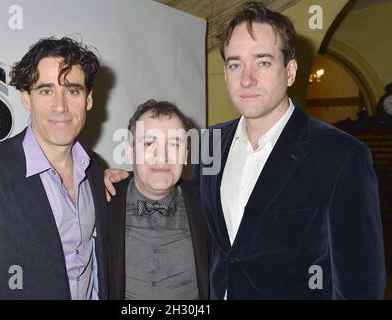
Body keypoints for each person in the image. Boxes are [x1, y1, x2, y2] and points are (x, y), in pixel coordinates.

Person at [105, 2, 385, 299]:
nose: (246, 78)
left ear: (290, 72)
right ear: (225, 74)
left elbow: (361, 285)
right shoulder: (212, 143)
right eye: (235, 64)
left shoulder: (341, 155)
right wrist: (121, 182)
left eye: (262, 62)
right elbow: (184, 211)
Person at [0, 37, 108, 299]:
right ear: (25, 98)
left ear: (88, 99)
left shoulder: (94, 168)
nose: (60, 105)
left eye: (72, 91)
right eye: (46, 90)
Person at [108, 99, 209, 300]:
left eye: (174, 144)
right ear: (130, 151)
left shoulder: (208, 203)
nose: (162, 156)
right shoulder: (103, 200)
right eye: (148, 143)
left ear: (185, 154)